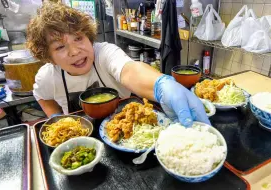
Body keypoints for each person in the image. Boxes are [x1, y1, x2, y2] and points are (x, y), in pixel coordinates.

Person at [27, 3, 210, 127]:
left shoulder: (104, 53)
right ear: (49, 57)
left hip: (126, 130)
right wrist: (56, 118)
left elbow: (130, 70)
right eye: (60, 46)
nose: (75, 51)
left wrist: (161, 84)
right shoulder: (47, 76)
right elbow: (42, 96)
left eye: (78, 38)